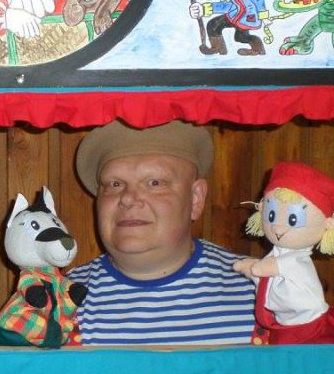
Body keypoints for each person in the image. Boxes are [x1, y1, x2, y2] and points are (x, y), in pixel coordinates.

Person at [67, 120, 256, 346]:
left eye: (154, 183)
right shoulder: (57, 302)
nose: (128, 198)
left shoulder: (264, 293)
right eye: (114, 184)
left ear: (195, 199)